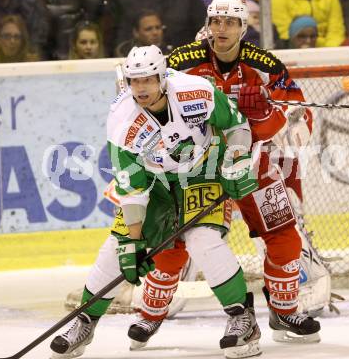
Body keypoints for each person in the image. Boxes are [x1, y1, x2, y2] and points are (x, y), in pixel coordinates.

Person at [130, 0, 322, 349]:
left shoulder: (264, 64)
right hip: (196, 167)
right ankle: (151, 314)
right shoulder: (182, 62)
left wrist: (283, 119)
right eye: (215, 21)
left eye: (230, 22)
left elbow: (297, 108)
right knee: (174, 242)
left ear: (242, 28)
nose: (221, 29)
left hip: (251, 161)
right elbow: (148, 98)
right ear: (207, 24)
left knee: (284, 234)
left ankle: (284, 311)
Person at [50, 44, 262, 359]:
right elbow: (133, 189)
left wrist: (236, 159)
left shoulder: (196, 92)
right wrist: (133, 245)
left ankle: (242, 319)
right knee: (116, 248)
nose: (140, 88)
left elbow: (237, 126)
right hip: (154, 181)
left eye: (147, 80)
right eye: (134, 81)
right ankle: (85, 321)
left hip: (201, 171)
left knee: (203, 240)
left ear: (163, 77)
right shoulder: (121, 121)